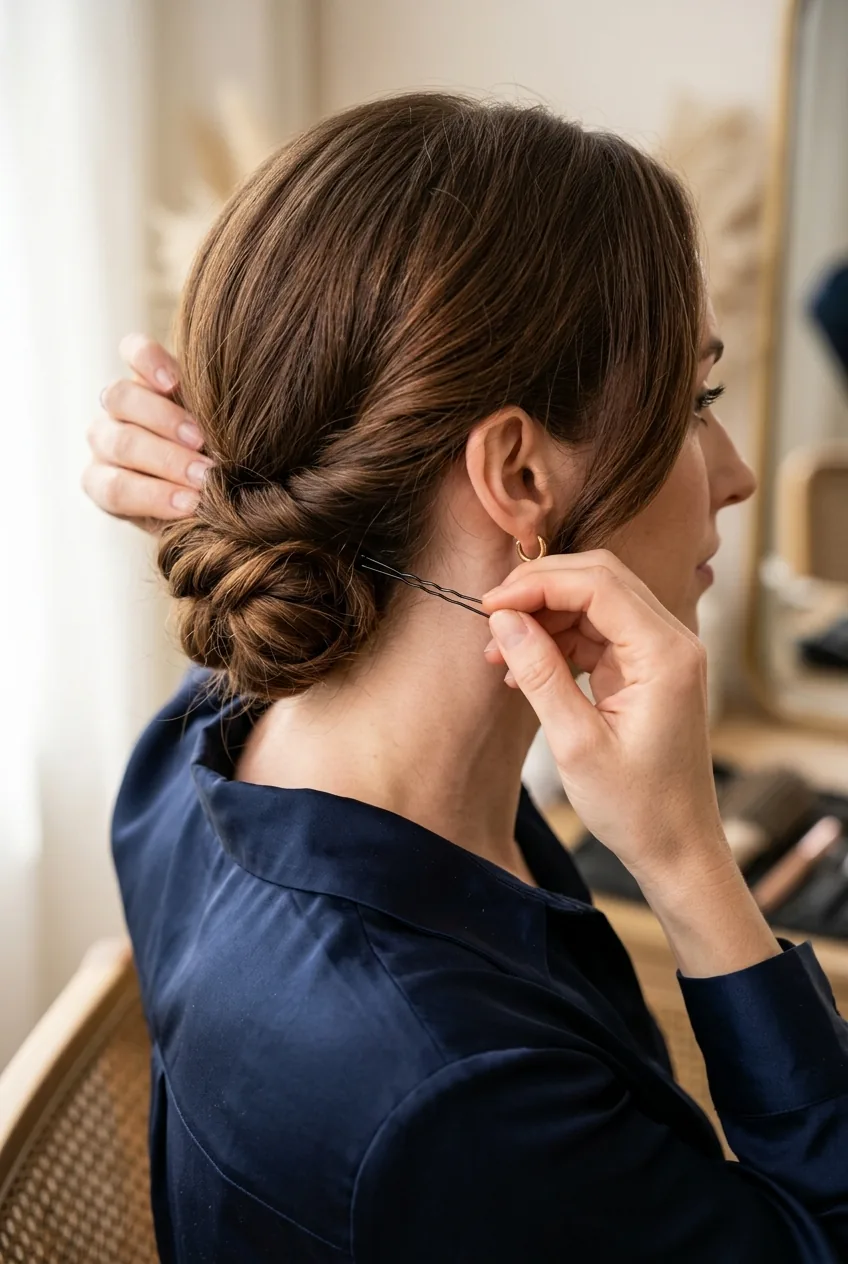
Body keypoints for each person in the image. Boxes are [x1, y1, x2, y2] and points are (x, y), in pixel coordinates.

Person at [83, 94, 848, 1263]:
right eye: (693, 405)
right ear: (518, 472)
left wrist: (239, 485)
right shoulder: (458, 1097)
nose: (735, 473)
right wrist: (692, 864)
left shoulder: (193, 758)